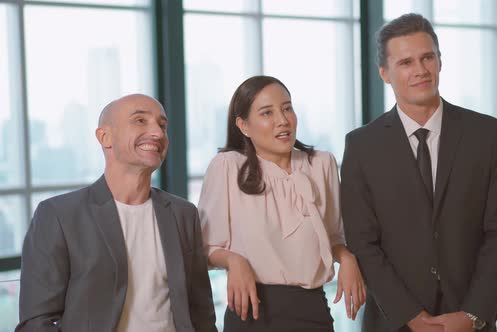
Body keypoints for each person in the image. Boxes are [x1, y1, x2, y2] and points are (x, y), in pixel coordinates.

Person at [341, 13, 497, 332]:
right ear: (384, 73)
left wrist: (472, 315)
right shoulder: (361, 146)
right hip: (394, 322)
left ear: (439, 61)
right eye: (406, 62)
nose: (420, 70)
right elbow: (363, 242)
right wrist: (410, 316)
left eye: (427, 58)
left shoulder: (486, 134)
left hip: (472, 319)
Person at [17, 94, 217, 332]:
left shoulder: (184, 214)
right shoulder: (59, 215)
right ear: (105, 137)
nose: (157, 133)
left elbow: (201, 313)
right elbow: (36, 322)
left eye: (162, 125)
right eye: (140, 121)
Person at [198, 75, 366, 332]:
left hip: (313, 311)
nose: (282, 120)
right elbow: (205, 247)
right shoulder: (228, 167)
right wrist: (234, 260)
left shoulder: (322, 164)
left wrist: (347, 258)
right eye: (267, 113)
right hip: (251, 313)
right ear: (243, 125)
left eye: (287, 108)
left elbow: (332, 237)